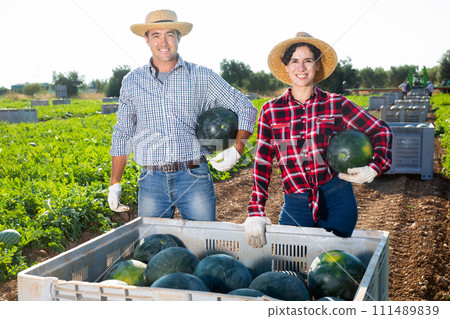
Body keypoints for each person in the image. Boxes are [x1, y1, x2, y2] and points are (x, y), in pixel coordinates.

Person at [244, 32, 393, 248]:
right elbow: (262, 163)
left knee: (334, 269)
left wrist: (375, 167)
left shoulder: (336, 104)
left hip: (337, 198)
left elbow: (381, 130)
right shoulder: (271, 110)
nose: (301, 67)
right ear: (286, 66)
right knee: (288, 266)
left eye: (308, 61)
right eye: (294, 61)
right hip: (295, 203)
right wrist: (256, 209)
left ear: (316, 65)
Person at [108, 9, 257, 221]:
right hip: (151, 181)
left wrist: (238, 148)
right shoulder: (132, 81)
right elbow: (123, 133)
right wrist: (115, 183)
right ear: (147, 40)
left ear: (179, 37)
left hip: (193, 176)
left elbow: (245, 106)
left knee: (205, 246)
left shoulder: (201, 75)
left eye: (170, 34)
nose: (164, 42)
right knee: (153, 246)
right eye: (156, 35)